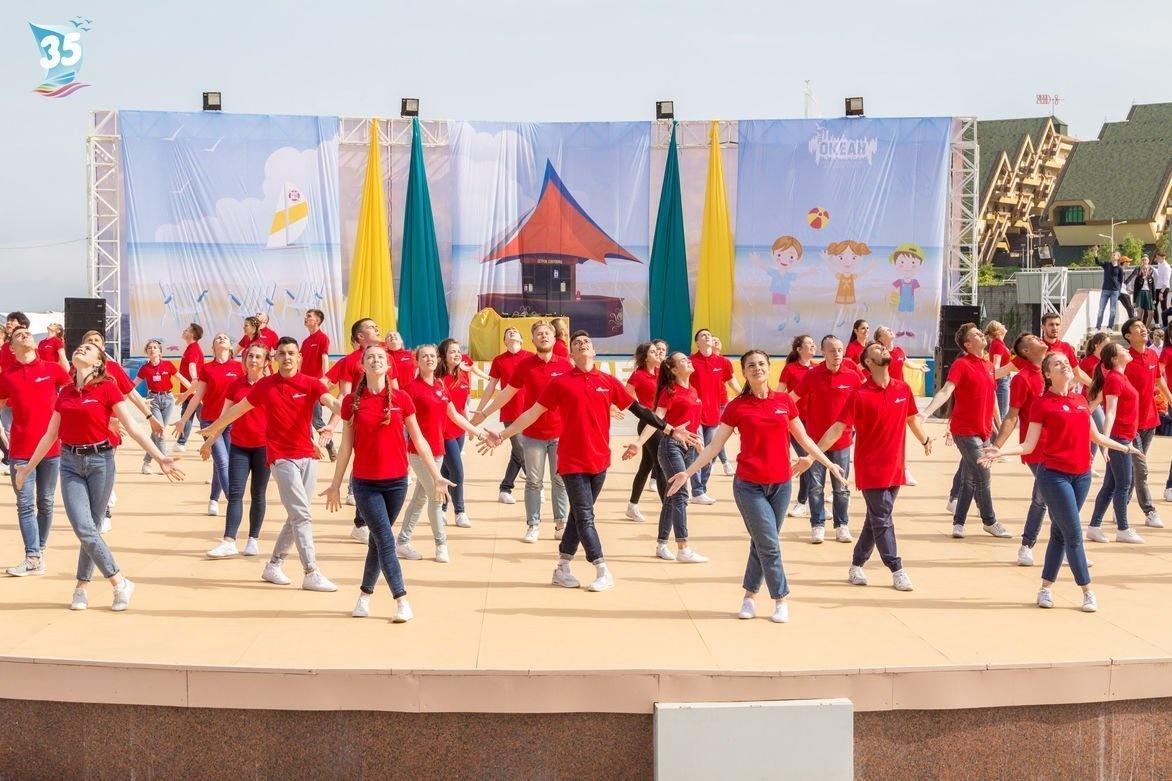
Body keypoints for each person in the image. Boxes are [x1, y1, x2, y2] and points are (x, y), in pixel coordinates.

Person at [488, 330, 684, 593]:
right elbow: (531, 413)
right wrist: (501, 434)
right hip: (571, 461)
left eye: (586, 342)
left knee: (577, 517)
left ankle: (562, 566)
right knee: (586, 516)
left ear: (593, 352)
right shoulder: (559, 383)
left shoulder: (608, 382)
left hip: (599, 461)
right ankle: (601, 567)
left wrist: (670, 430)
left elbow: (640, 410)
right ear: (570, 354)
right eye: (576, 343)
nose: (582, 344)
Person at [666, 349, 844, 622]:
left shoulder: (784, 401)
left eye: (762, 364)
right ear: (745, 372)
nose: (757, 368)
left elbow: (805, 438)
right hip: (749, 486)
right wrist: (687, 473)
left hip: (782, 484)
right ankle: (780, 599)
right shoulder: (738, 406)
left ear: (769, 368)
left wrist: (826, 463)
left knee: (761, 542)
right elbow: (715, 446)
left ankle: (749, 597)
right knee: (770, 544)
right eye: (751, 365)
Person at [15, 341, 184, 610]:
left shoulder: (107, 388)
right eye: (80, 347)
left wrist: (159, 456)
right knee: (84, 528)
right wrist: (28, 466)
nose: (81, 349)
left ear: (98, 362)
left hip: (101, 462)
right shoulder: (66, 392)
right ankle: (119, 581)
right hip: (69, 463)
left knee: (90, 530)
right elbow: (51, 435)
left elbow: (134, 428)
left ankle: (81, 586)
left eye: (89, 349)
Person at [981, 353, 1140, 613]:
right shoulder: (1042, 404)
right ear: (1047, 374)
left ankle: (1045, 588)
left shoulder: (1080, 400)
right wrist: (1001, 451)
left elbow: (1097, 436)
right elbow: (1029, 444)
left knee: (1060, 532)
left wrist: (1125, 449)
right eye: (1057, 364)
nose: (1064, 365)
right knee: (1074, 534)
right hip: (1054, 475)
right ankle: (1087, 591)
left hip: (1082, 476)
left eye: (1066, 362)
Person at [198, 337, 343, 591]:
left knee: (298, 514)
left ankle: (273, 565)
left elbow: (332, 403)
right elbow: (238, 410)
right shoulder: (266, 386)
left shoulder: (310, 384)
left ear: (298, 357)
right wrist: (214, 428)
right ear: (275, 359)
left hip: (307, 457)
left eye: (291, 353)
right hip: (280, 457)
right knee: (301, 515)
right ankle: (310, 571)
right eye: (282, 354)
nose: (287, 357)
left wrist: (346, 413)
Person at [323, 344, 454, 623]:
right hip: (365, 484)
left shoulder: (403, 399)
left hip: (396, 483)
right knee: (385, 538)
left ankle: (364, 596)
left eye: (381, 357)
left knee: (377, 542)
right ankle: (401, 599)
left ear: (389, 365)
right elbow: (345, 447)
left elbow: (419, 439)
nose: (375, 360)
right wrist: (336, 484)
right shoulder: (351, 403)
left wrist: (436, 475)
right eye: (370, 357)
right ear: (362, 364)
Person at [818, 342, 931, 590]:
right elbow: (838, 428)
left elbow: (912, 418)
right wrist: (813, 454)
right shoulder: (859, 394)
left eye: (884, 348)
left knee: (875, 519)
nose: (884, 350)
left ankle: (856, 564)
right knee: (882, 518)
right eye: (877, 349)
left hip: (895, 467)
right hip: (871, 468)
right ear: (868, 362)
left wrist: (925, 439)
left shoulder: (902, 388)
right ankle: (896, 568)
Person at [471, 321, 571, 542]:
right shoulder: (525, 366)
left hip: (559, 433)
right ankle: (533, 524)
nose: (543, 336)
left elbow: (578, 394)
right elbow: (506, 393)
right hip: (532, 433)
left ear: (555, 339)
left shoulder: (566, 366)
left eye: (547, 333)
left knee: (559, 481)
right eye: (539, 333)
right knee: (533, 481)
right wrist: (484, 413)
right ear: (533, 340)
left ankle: (560, 523)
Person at [919, 323, 1011, 539]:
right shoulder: (961, 364)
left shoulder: (988, 366)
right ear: (968, 344)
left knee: (970, 477)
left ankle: (958, 522)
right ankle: (990, 520)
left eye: (981, 332)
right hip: (964, 430)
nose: (982, 334)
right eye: (977, 334)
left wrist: (997, 422)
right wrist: (927, 411)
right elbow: (946, 390)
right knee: (983, 472)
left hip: (984, 431)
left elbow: (992, 397)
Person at [396, 344, 487, 562]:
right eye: (424, 356)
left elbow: (454, 415)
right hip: (418, 453)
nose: (429, 359)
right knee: (437, 497)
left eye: (432, 356)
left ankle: (402, 541)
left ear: (437, 360)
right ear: (417, 362)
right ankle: (441, 544)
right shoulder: (410, 389)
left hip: (439, 451)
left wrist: (478, 432)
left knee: (420, 498)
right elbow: (402, 425)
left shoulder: (440, 385)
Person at [0, 325, 72, 575]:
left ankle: (39, 551)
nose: (25, 336)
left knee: (47, 502)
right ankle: (32, 557)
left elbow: (74, 396)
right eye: (18, 335)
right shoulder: (6, 376)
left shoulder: (53, 370)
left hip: (51, 449)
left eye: (27, 333)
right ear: (11, 348)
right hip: (20, 449)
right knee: (25, 504)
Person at [624, 351, 708, 563]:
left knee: (671, 497)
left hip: (689, 448)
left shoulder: (694, 390)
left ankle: (662, 544)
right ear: (672, 369)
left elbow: (694, 423)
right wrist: (639, 442)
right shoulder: (669, 391)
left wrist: (699, 443)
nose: (688, 361)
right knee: (680, 495)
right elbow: (656, 418)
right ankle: (683, 548)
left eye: (687, 359)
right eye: (682, 361)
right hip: (671, 447)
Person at [791, 335, 863, 543]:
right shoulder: (812, 376)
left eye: (840, 349)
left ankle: (842, 525)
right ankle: (818, 524)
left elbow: (864, 405)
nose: (837, 354)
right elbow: (791, 400)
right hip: (814, 443)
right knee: (815, 486)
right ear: (823, 352)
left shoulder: (852, 377)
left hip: (842, 443)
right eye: (832, 350)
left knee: (841, 487)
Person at [989, 333, 1051, 565]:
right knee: (1044, 498)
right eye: (1034, 338)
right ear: (1025, 350)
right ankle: (1028, 545)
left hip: (1062, 446)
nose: (1040, 338)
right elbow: (1012, 417)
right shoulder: (1022, 379)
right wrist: (996, 448)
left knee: (1053, 499)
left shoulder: (1053, 372)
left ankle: (1063, 546)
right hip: (1036, 448)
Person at [206, 343, 271, 558]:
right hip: (240, 446)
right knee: (235, 494)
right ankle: (229, 541)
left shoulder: (270, 386)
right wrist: (209, 441)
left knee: (258, 493)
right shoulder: (235, 386)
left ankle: (253, 539)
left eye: (257, 357)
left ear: (266, 362)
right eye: (249, 356)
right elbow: (224, 418)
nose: (252, 360)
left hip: (263, 447)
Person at [172, 332, 243, 516]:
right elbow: (198, 396)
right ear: (213, 347)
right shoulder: (207, 368)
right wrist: (183, 420)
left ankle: (213, 498)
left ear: (229, 346)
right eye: (218, 337)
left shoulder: (238, 367)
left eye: (225, 338)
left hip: (232, 421)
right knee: (222, 461)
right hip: (210, 421)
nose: (221, 338)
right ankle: (233, 502)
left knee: (224, 463)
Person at [1084, 343, 1144, 544]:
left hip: (1124, 434)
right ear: (1115, 359)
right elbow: (1110, 411)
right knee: (1123, 484)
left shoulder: (1119, 377)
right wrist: (1106, 442)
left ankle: (1094, 526)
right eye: (1123, 350)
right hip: (1119, 436)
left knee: (1111, 484)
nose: (1128, 351)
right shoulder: (1115, 379)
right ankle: (1123, 528)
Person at [1116, 318, 1170, 528]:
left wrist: (1170, 397)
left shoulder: (1153, 355)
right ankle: (1149, 510)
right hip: (1130, 423)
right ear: (1128, 336)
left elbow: (1158, 379)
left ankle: (1121, 505)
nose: (1142, 330)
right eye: (1136, 328)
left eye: (1142, 326)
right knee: (1141, 467)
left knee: (1133, 467)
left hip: (1150, 419)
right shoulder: (1124, 360)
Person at [476, 327, 534, 506]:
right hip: (509, 411)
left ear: (522, 339)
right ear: (504, 341)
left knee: (519, 452)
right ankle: (534, 486)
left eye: (515, 331)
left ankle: (505, 489)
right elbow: (491, 387)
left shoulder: (531, 357)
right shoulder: (499, 360)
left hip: (531, 412)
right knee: (521, 449)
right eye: (508, 332)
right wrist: (481, 409)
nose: (511, 332)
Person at [690, 328, 741, 501]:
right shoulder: (690, 362)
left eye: (709, 335)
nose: (707, 337)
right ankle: (697, 491)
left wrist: (743, 394)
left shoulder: (723, 362)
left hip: (714, 414)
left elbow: (732, 381)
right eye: (703, 335)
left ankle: (702, 487)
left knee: (710, 454)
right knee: (697, 451)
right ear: (697, 343)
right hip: (695, 414)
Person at [621, 340, 663, 522]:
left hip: (661, 422)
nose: (658, 354)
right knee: (661, 465)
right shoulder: (638, 375)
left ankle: (632, 506)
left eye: (659, 351)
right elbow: (624, 395)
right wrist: (613, 408)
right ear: (646, 357)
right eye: (654, 352)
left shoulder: (662, 373)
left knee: (646, 466)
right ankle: (668, 506)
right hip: (648, 424)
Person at [437, 337, 477, 528]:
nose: (456, 354)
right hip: (443, 431)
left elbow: (464, 405)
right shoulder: (438, 378)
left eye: (457, 350)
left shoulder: (463, 375)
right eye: (451, 351)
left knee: (446, 470)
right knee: (458, 472)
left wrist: (468, 426)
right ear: (443, 356)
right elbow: (448, 411)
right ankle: (460, 511)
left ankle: (442, 509)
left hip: (459, 429)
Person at [778, 334, 816, 515]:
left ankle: (815, 503)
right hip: (796, 422)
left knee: (815, 461)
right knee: (807, 460)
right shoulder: (790, 369)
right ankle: (802, 502)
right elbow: (779, 394)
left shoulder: (818, 370)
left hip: (817, 421)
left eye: (814, 343)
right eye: (808, 344)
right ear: (799, 349)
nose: (813, 346)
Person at [135, 339, 178, 476]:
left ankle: (146, 462)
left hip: (168, 399)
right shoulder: (145, 368)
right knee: (159, 432)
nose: (152, 349)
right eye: (149, 348)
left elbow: (181, 378)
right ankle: (165, 460)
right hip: (153, 400)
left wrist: (193, 392)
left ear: (160, 351)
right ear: (146, 352)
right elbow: (131, 385)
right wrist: (138, 398)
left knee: (157, 432)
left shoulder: (168, 365)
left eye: (155, 347)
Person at [300, 308, 332, 458]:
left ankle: (330, 446)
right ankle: (310, 450)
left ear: (317, 320)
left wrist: (324, 379)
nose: (305, 318)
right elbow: (300, 362)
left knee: (315, 420)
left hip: (315, 386)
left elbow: (325, 358)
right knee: (302, 419)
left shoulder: (322, 338)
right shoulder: (305, 341)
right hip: (302, 385)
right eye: (306, 316)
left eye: (309, 316)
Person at [174, 323, 205, 452]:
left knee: (201, 417)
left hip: (193, 390)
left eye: (186, 330)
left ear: (191, 335)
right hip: (188, 389)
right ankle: (181, 443)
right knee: (187, 416)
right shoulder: (190, 348)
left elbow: (192, 365)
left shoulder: (193, 349)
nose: (184, 331)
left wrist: (193, 379)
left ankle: (211, 441)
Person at [1095, 248, 1124, 330]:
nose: (1112, 256)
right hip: (1105, 290)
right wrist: (1096, 252)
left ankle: (1109, 327)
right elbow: (1098, 262)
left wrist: (1119, 291)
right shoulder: (1106, 264)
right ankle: (1098, 327)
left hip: (1114, 292)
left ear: (1118, 257)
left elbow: (1120, 280)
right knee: (1101, 309)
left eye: (1114, 255)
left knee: (1112, 311)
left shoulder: (1119, 268)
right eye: (1112, 255)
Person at [1155, 250, 1172, 326]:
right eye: (1157, 257)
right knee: (1154, 306)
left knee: (1163, 306)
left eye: (1158, 257)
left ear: (1163, 257)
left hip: (1164, 288)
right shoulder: (1159, 264)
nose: (1157, 258)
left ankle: (1165, 326)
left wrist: (1161, 292)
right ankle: (1157, 324)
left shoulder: (1167, 267)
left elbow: (1166, 281)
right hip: (1158, 287)